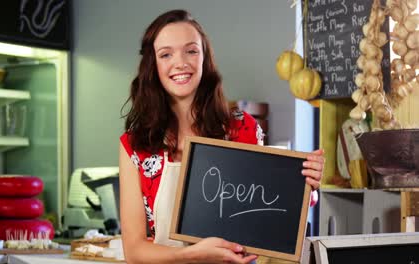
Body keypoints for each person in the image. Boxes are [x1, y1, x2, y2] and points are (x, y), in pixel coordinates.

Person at [119, 9, 324, 264]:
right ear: (153, 65)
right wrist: (191, 255)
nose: (180, 62)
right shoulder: (134, 145)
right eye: (166, 54)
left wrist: (305, 189)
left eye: (191, 50)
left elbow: (262, 215)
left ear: (205, 57)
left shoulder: (242, 128)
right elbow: (135, 251)